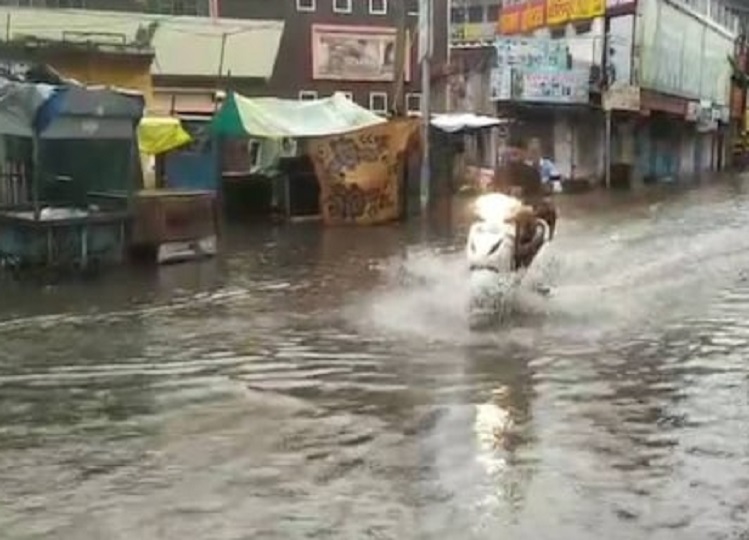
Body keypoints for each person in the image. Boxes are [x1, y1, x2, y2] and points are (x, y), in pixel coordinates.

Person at [493, 137, 558, 269]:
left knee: (545, 214)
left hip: (524, 211)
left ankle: (530, 251)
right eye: (509, 154)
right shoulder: (500, 171)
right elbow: (493, 191)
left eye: (515, 154)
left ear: (523, 154)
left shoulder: (532, 173)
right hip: (503, 212)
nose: (512, 158)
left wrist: (527, 200)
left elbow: (537, 194)